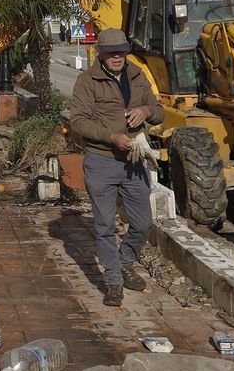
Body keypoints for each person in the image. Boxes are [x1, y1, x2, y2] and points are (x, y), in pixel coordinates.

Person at [68, 29, 163, 307]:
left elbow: (159, 110)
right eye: (112, 52)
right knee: (105, 224)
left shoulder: (137, 76)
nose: (118, 57)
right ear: (100, 53)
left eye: (122, 51)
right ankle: (113, 281)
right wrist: (111, 137)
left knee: (142, 222)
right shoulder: (88, 81)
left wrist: (146, 112)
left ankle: (125, 262)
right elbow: (78, 121)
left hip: (135, 161)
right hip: (101, 161)